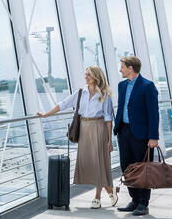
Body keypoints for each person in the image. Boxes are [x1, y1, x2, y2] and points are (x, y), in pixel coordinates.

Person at [37, 66, 118, 209]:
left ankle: (97, 197)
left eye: (89, 75)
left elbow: (108, 119)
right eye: (86, 74)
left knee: (98, 163)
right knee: (89, 163)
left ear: (96, 77)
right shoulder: (81, 92)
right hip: (84, 129)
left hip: (99, 128)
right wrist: (46, 115)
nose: (86, 77)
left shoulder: (105, 95)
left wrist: (109, 140)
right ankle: (111, 190)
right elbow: (63, 105)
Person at [113, 56, 159, 216]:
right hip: (124, 131)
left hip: (142, 135)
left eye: (122, 67)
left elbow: (153, 113)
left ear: (130, 68)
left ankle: (143, 203)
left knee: (143, 168)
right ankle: (134, 200)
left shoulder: (147, 86)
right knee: (126, 167)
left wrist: (153, 137)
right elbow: (121, 108)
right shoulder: (122, 86)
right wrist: (117, 128)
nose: (120, 70)